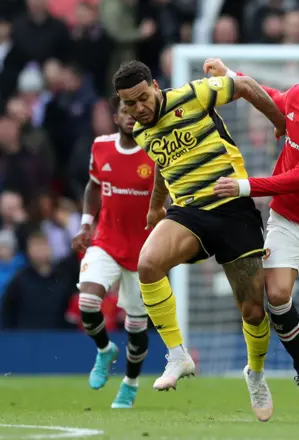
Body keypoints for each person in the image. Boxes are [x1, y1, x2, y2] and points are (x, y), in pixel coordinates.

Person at [113, 60, 286, 422]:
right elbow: (164, 161)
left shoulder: (193, 94)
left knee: (254, 310)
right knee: (148, 264)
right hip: (189, 212)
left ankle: (254, 373)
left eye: (143, 98)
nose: (138, 108)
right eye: (129, 104)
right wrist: (157, 205)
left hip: (233, 207)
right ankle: (178, 355)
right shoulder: (142, 131)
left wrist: (281, 125)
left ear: (156, 86)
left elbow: (245, 84)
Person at [205, 46, 299, 412]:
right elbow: (268, 97)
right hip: (287, 220)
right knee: (275, 295)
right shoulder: (294, 96)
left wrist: (242, 186)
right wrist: (230, 74)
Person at [71, 95, 155, 409]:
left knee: (136, 327)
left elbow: (167, 199)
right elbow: (93, 186)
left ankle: (130, 385)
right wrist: (85, 225)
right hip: (106, 240)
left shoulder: (154, 151)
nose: (131, 116)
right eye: (124, 111)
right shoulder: (101, 147)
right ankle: (105, 350)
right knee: (88, 302)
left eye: (136, 110)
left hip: (144, 251)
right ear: (116, 118)